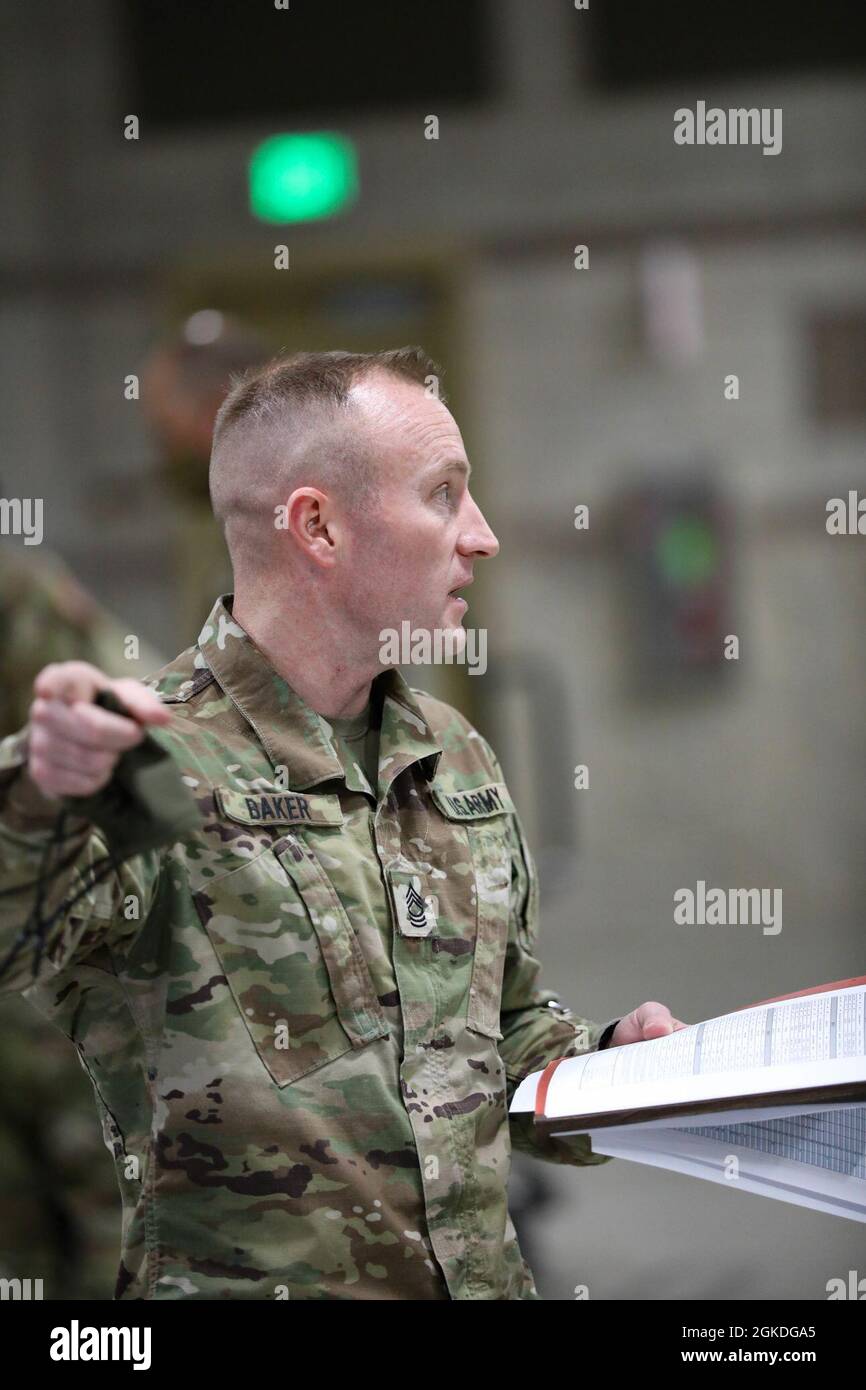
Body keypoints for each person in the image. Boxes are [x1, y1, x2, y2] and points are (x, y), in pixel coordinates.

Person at [0, 347, 685, 1300]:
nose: (482, 537)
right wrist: (44, 790)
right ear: (317, 527)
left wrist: (614, 1071)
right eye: (444, 494)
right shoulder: (155, 766)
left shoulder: (452, 756)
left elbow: (500, 1035)